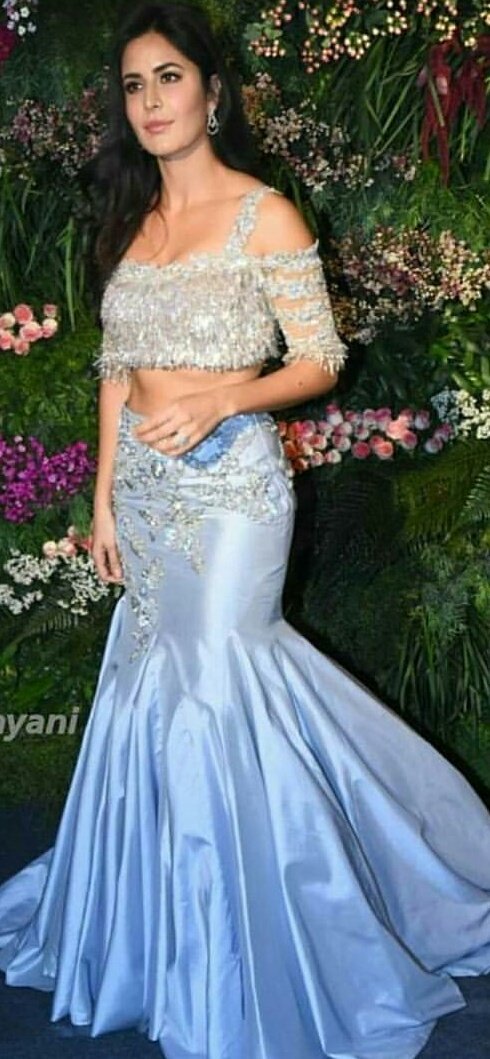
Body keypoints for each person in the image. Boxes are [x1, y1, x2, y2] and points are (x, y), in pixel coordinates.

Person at [0, 3, 489, 1058]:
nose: (151, 101)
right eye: (134, 85)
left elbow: (319, 361)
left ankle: (257, 938)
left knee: (220, 680)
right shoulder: (131, 223)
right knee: (153, 688)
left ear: (212, 92)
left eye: (169, 77)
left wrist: (225, 398)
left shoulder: (265, 215)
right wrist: (102, 501)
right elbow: (117, 373)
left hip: (233, 494)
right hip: (145, 498)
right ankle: (156, 931)